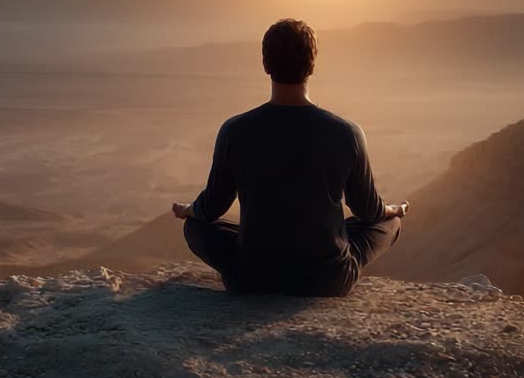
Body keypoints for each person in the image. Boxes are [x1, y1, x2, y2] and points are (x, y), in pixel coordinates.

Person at [171, 18, 408, 297]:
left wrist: (188, 210)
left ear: (265, 64)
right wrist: (392, 210)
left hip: (252, 277)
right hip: (327, 279)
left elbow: (211, 208)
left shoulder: (235, 131)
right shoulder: (347, 133)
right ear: (312, 65)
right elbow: (367, 211)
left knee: (195, 228)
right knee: (389, 224)